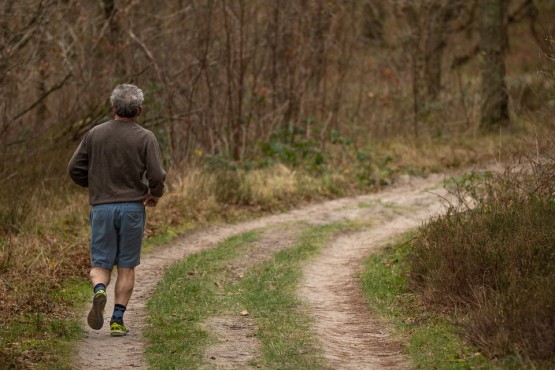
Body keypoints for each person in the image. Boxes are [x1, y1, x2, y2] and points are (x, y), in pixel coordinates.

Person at [68, 84, 166, 336]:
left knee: (101, 262)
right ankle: (117, 321)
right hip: (133, 208)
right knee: (126, 266)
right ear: (139, 110)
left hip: (101, 208)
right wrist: (154, 193)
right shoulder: (146, 137)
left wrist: (96, 186)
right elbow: (156, 174)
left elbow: (74, 169)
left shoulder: (95, 134)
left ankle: (99, 290)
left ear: (113, 108)